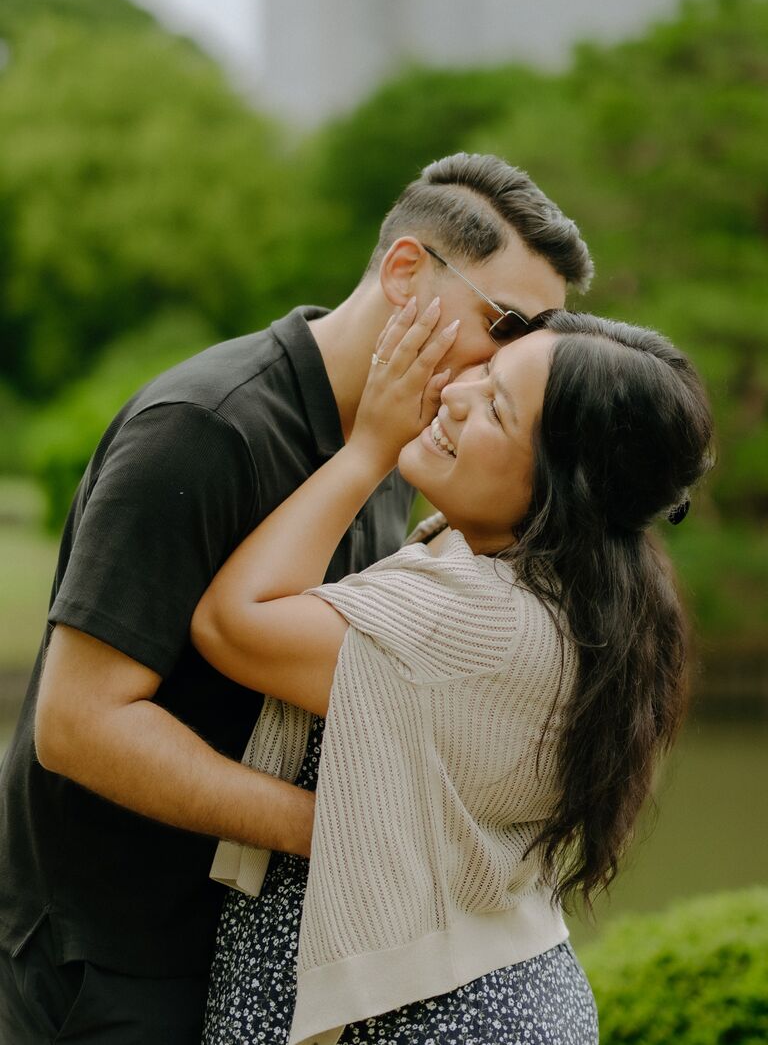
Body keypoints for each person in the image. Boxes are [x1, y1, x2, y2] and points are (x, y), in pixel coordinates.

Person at [0, 153, 593, 1044]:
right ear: (403, 274)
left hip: (228, 950)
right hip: (104, 964)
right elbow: (77, 722)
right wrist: (345, 831)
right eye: (505, 326)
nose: (506, 368)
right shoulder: (204, 430)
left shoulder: (399, 445)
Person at [191, 303, 713, 1045]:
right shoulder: (578, 593)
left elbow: (232, 623)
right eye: (486, 375)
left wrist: (367, 448)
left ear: (562, 489)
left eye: (496, 409)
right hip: (486, 996)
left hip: (434, 1018)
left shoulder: (480, 617)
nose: (454, 397)